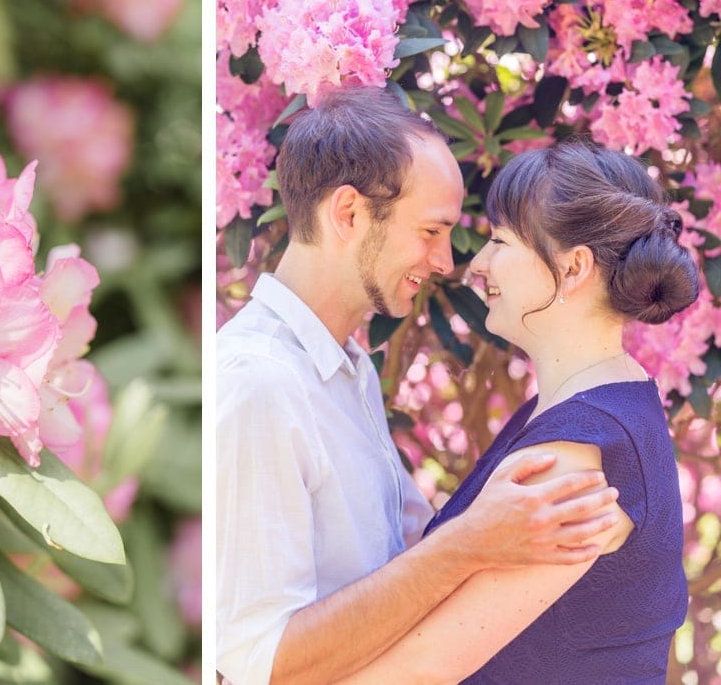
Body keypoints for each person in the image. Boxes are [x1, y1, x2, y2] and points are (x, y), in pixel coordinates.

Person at [216, 88, 622, 685]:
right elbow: (262, 663)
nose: (444, 262)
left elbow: (407, 554)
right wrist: (470, 545)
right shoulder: (260, 383)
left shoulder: (345, 368)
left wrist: (538, 532)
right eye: (431, 231)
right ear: (349, 215)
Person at [339, 140, 696, 683]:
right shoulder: (586, 409)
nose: (478, 264)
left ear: (574, 267)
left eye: (500, 240)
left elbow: (417, 669)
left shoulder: (576, 458)